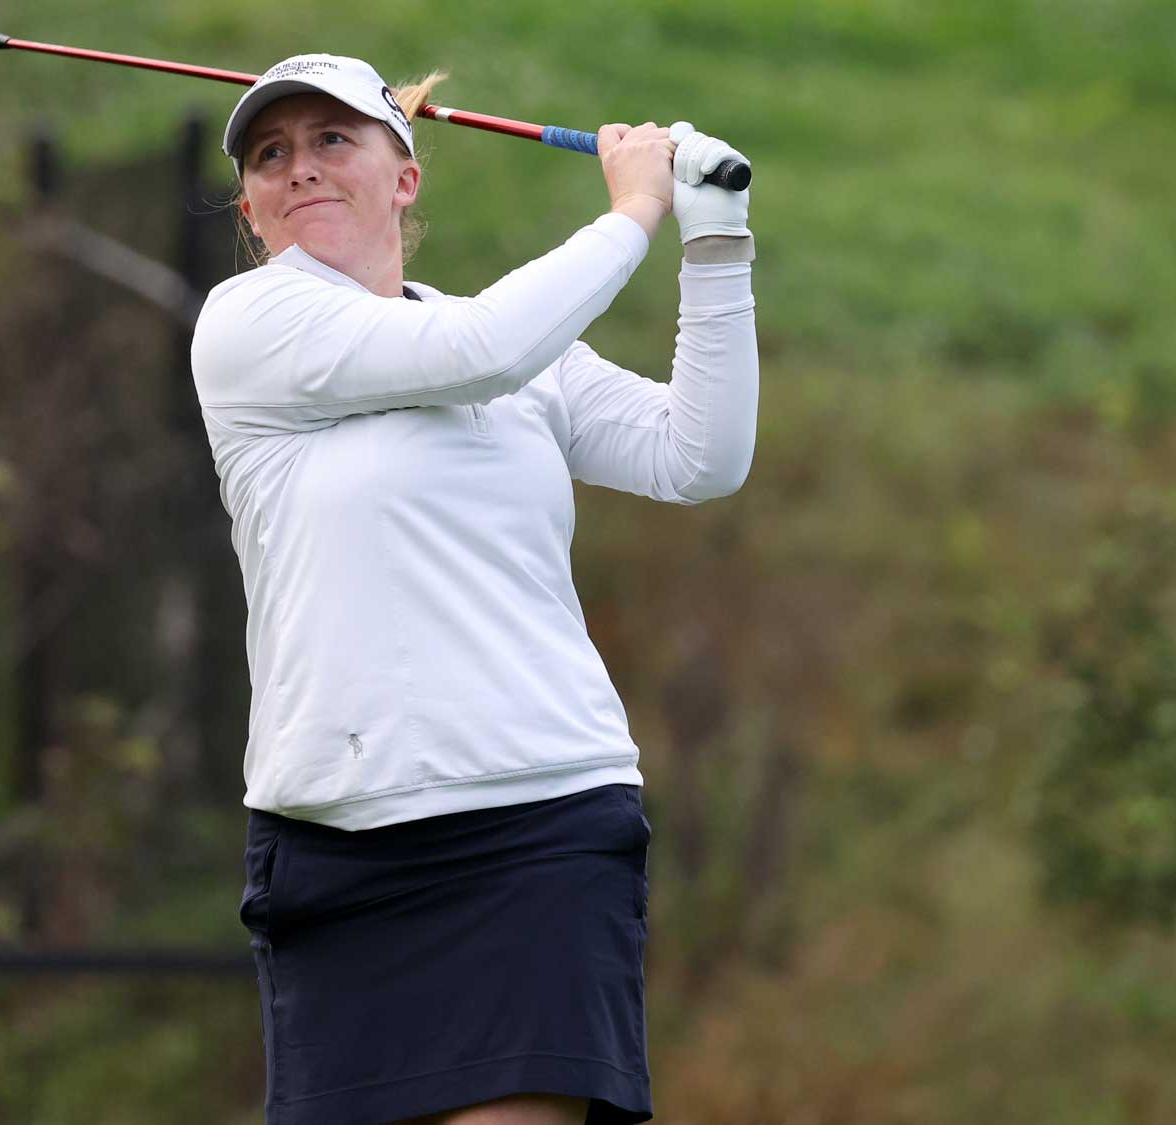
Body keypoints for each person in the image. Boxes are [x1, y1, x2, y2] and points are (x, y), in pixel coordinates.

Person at [191, 51, 757, 1125]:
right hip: (334, 844)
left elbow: (698, 457)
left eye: (331, 140)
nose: (299, 167)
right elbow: (479, 349)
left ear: (402, 178)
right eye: (271, 155)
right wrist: (633, 209)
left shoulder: (519, 349)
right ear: (253, 209)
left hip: (535, 826)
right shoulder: (248, 327)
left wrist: (714, 239)